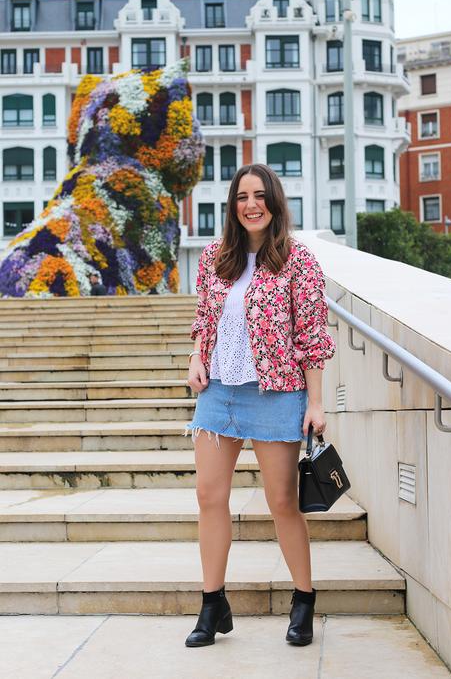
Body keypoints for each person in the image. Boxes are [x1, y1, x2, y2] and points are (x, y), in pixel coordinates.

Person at [183, 163, 336, 648]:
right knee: (209, 497)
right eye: (242, 196)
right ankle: (212, 604)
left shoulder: (298, 260)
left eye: (259, 195)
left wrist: (316, 402)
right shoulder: (214, 258)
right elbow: (204, 318)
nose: (251, 204)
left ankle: (304, 600)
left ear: (274, 201)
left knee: (282, 503)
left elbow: (312, 336)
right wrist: (195, 357)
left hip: (276, 392)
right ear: (232, 205)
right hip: (219, 392)